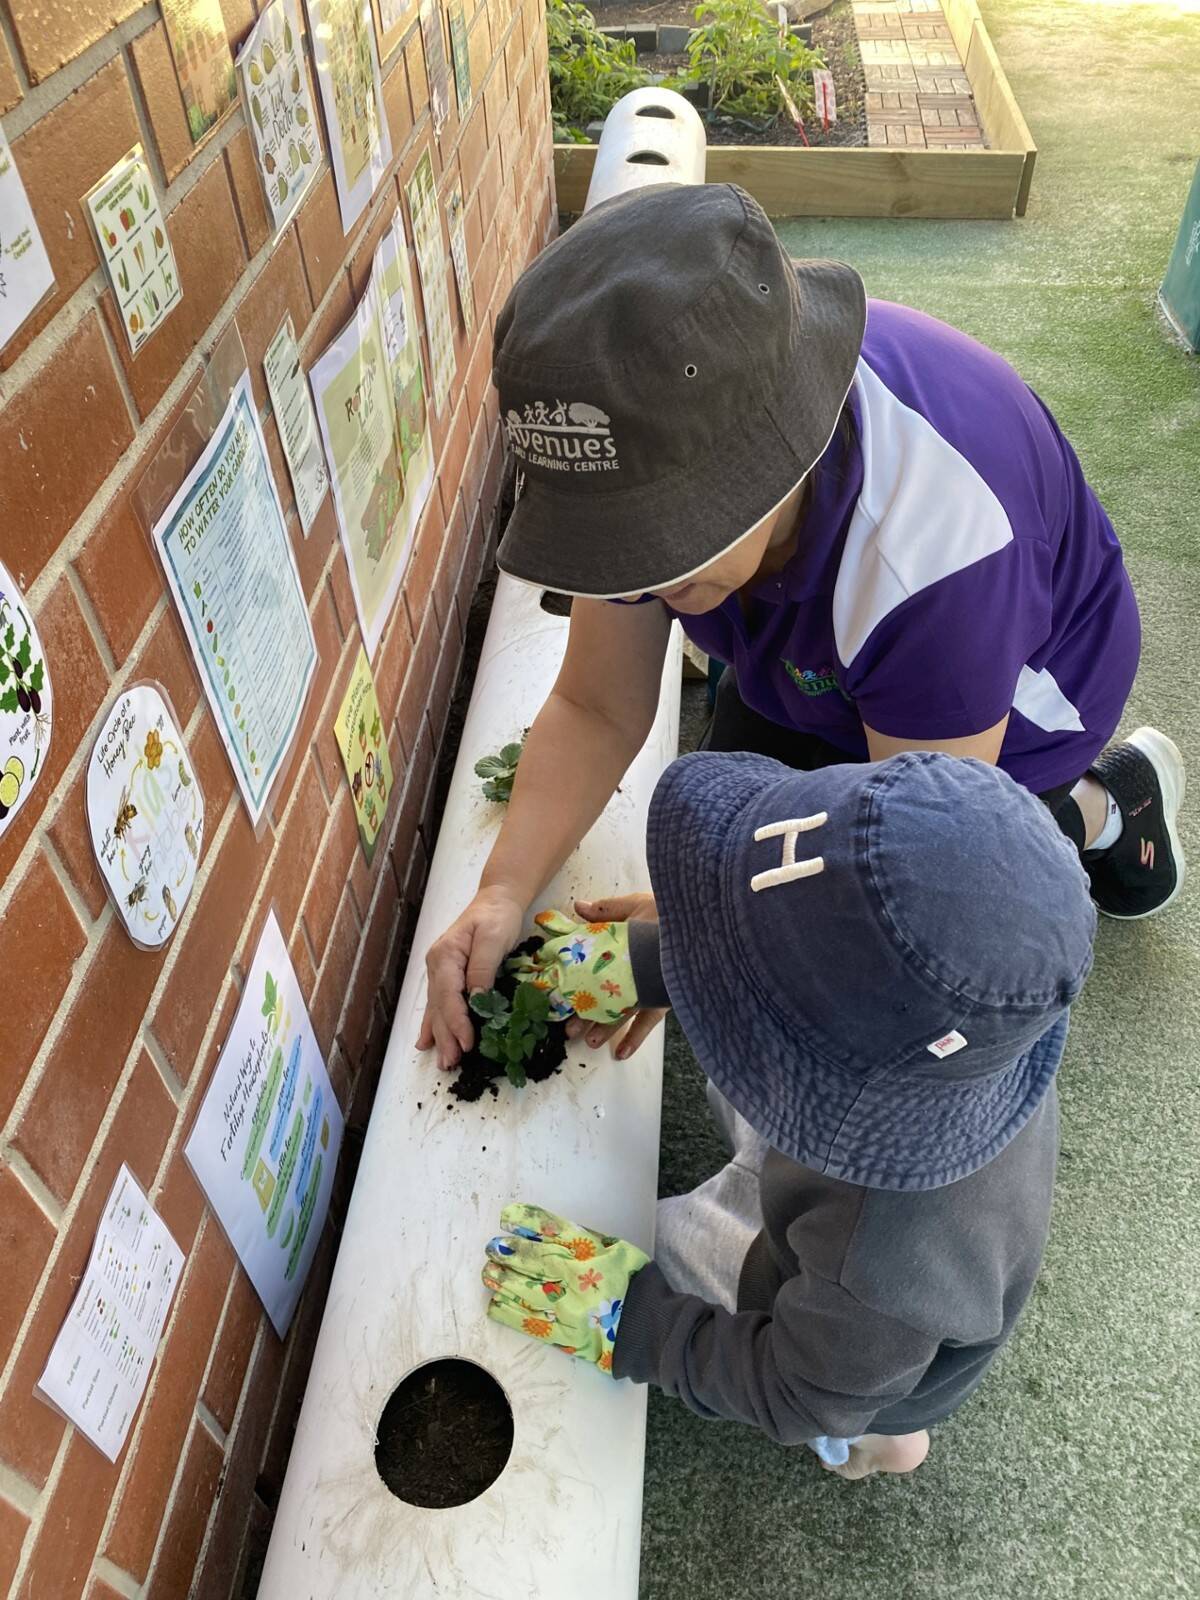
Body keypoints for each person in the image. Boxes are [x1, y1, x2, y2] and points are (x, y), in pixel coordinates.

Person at [419, 181, 1184, 1071]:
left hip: (1021, 692)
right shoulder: (656, 434)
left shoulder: (932, 556)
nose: (641, 582)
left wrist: (701, 933)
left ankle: (1101, 805)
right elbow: (595, 706)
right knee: (750, 779)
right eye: (618, 547)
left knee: (955, 893)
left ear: (778, 447)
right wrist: (503, 890)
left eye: (665, 538)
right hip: (832, 648)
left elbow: (906, 847)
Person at [480, 749, 1096, 1475]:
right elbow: (784, 944)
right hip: (845, 1195)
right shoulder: (968, 1013)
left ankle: (881, 1437)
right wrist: (653, 964)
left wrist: (637, 1323)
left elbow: (794, 1391)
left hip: (843, 1330)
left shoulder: (883, 1270)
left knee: (635, 1240)